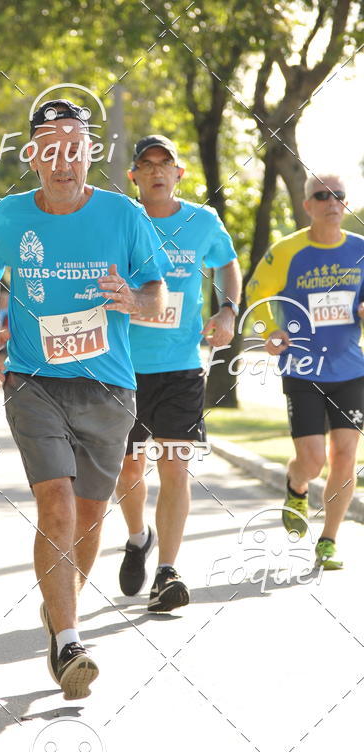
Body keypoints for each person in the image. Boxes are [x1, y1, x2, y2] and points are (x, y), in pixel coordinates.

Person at [0, 99, 166, 699]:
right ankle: (68, 643)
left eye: (74, 144)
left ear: (89, 153)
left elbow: (157, 298)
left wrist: (134, 302)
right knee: (54, 504)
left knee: (87, 517)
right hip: (35, 381)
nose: (62, 158)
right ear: (33, 156)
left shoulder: (123, 215)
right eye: (49, 145)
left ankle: (59, 613)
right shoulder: (8, 217)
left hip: (109, 387)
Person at [116, 135, 241, 611]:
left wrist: (228, 310)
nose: (156, 172)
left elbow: (228, 265)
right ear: (135, 176)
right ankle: (137, 536)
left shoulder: (202, 221)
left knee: (174, 465)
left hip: (182, 366)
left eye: (164, 164)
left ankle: (167, 572)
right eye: (146, 165)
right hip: (122, 367)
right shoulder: (121, 219)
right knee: (127, 468)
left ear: (179, 173)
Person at [246, 172, 364, 570]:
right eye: (322, 195)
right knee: (312, 461)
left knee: (345, 456)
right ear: (307, 204)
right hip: (303, 367)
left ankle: (329, 540)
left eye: (339, 196)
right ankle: (296, 485)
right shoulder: (287, 251)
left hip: (351, 369)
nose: (332, 202)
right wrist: (268, 328)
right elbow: (255, 293)